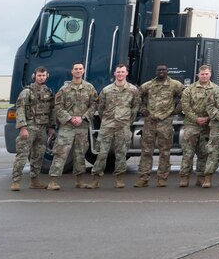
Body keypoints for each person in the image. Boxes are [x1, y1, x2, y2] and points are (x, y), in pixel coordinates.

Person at [86, 63, 140, 189]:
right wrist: (106, 120)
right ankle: (95, 179)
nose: (120, 74)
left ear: (126, 73)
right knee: (102, 154)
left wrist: (127, 122)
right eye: (118, 72)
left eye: (122, 72)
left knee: (121, 154)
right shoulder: (107, 90)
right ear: (115, 74)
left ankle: (119, 179)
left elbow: (134, 109)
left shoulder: (133, 90)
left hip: (123, 126)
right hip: (107, 126)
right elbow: (100, 108)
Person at [47, 62, 98, 191]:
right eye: (76, 69)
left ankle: (79, 181)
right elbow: (58, 107)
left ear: (83, 71)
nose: (78, 71)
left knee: (80, 153)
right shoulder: (64, 89)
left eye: (80, 69)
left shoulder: (89, 88)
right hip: (67, 126)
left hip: (82, 125)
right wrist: (70, 118)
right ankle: (53, 181)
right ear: (72, 71)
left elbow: (94, 105)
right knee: (61, 152)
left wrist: (83, 117)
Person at [135, 63, 184, 188]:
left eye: (163, 70)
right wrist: (142, 109)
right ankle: (143, 178)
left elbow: (185, 97)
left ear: (167, 71)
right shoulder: (148, 85)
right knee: (146, 151)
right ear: (156, 72)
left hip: (165, 122)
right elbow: (137, 98)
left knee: (165, 152)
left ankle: (162, 178)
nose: (161, 72)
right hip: (150, 122)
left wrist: (176, 110)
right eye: (159, 70)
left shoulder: (175, 85)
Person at [11, 66, 54, 191]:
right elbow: (20, 109)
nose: (41, 78)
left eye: (43, 75)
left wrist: (51, 127)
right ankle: (16, 181)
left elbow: (51, 111)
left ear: (47, 76)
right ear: (34, 76)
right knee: (22, 155)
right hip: (29, 127)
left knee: (38, 155)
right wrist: (23, 127)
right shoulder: (27, 92)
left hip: (42, 128)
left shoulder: (48, 91)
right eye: (39, 75)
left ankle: (34, 181)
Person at [179, 65, 214, 187]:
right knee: (188, 153)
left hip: (207, 125)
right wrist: (196, 118)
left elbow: (217, 106)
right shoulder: (189, 89)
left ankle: (201, 177)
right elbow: (185, 106)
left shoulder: (215, 89)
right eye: (202, 74)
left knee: (204, 152)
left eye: (206, 74)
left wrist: (208, 118)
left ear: (210, 74)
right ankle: (184, 177)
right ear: (198, 75)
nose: (204, 76)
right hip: (192, 125)